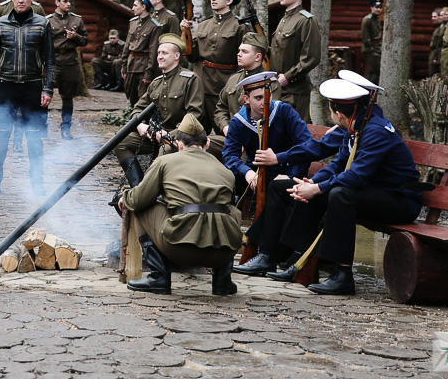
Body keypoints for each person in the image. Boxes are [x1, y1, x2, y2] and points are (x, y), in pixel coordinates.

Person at [234, 77, 421, 295]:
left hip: (399, 201)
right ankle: (279, 257)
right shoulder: (357, 127)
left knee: (340, 195)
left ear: (338, 114)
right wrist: (312, 182)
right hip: (373, 193)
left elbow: (356, 176)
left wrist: (318, 189)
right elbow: (338, 165)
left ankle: (342, 276)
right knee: (282, 187)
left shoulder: (375, 131)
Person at [118, 113, 243, 296]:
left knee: (144, 205)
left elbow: (138, 199)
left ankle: (159, 277)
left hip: (179, 248)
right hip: (222, 252)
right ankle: (222, 280)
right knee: (231, 210)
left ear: (179, 145)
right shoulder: (225, 170)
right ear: (207, 144)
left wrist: (126, 197)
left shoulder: (165, 161)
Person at [0, 0, 54, 195]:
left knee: (34, 138)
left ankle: (37, 185)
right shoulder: (0, 24)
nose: (21, 0)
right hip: (6, 87)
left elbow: (50, 60)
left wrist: (48, 89)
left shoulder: (43, 24)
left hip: (32, 87)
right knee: (1, 136)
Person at [112, 34, 202, 187]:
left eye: (164, 53)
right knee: (121, 143)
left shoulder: (190, 79)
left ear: (177, 56)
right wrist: (141, 126)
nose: (159, 56)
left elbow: (195, 114)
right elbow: (138, 108)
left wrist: (170, 135)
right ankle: (138, 186)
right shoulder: (156, 83)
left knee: (165, 150)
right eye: (159, 53)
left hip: (181, 137)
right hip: (156, 134)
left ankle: (153, 193)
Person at [221, 72, 314, 198]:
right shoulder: (238, 122)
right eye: (258, 98)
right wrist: (246, 172)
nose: (264, 102)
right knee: (225, 184)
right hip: (255, 172)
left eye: (267, 96)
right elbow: (230, 155)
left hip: (286, 170)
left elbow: (306, 145)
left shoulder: (284, 111)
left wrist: (290, 175)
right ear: (246, 99)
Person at [183, 0, 247, 140]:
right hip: (199, 87)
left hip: (222, 88)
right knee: (191, 133)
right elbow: (192, 56)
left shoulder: (239, 26)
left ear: (229, 0)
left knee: (224, 134)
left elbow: (244, 61)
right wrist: (185, 33)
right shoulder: (204, 24)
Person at [270, 0, 321, 122]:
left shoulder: (306, 21)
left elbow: (311, 57)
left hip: (295, 92)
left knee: (297, 135)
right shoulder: (284, 19)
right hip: (278, 89)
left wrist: (288, 76)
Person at [211, 32, 269, 153]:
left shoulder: (269, 82)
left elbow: (270, 117)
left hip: (257, 142)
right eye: (239, 51)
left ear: (258, 57)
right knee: (202, 145)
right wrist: (227, 129)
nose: (239, 54)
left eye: (244, 51)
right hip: (232, 136)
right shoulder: (233, 79)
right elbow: (220, 109)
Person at [48, 0, 88, 140]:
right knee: (45, 94)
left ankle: (66, 128)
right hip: (53, 61)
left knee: (67, 97)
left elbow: (85, 41)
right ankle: (41, 126)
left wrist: (75, 36)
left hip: (70, 61)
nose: (68, 3)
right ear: (57, 2)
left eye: (69, 1)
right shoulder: (49, 20)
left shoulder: (77, 20)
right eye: (65, 1)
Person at [120, 0, 157, 105]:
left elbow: (153, 52)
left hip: (143, 67)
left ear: (144, 7)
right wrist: (124, 65)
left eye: (135, 5)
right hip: (131, 65)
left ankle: (143, 122)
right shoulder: (133, 23)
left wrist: (149, 73)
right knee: (130, 95)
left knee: (143, 99)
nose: (132, 8)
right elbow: (127, 46)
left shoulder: (154, 26)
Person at [360, 0, 384, 85]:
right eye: (376, 7)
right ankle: (371, 91)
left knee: (372, 71)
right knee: (376, 71)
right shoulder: (367, 19)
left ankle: (368, 91)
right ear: (371, 8)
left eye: (380, 7)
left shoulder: (377, 19)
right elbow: (365, 36)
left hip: (377, 47)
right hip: (371, 49)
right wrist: (370, 47)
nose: (378, 9)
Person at [428, 7, 445, 76]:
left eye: (435, 16)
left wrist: (436, 58)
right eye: (432, 16)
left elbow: (440, 45)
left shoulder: (443, 28)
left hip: (438, 56)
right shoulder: (438, 28)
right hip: (434, 55)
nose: (432, 18)